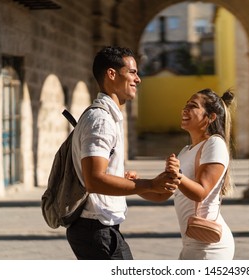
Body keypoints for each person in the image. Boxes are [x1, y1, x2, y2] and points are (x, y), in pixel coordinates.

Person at [67, 46, 179, 260]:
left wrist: (128, 181)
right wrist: (150, 184)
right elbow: (94, 180)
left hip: (99, 229)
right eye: (133, 72)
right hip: (96, 229)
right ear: (111, 74)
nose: (138, 79)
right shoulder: (101, 121)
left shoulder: (107, 117)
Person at [165, 88, 236, 259]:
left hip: (209, 247)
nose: (185, 109)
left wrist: (177, 176)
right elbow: (163, 194)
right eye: (185, 105)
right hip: (192, 242)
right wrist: (138, 184)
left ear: (210, 117)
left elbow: (201, 193)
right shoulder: (186, 150)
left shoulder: (214, 144)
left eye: (193, 106)